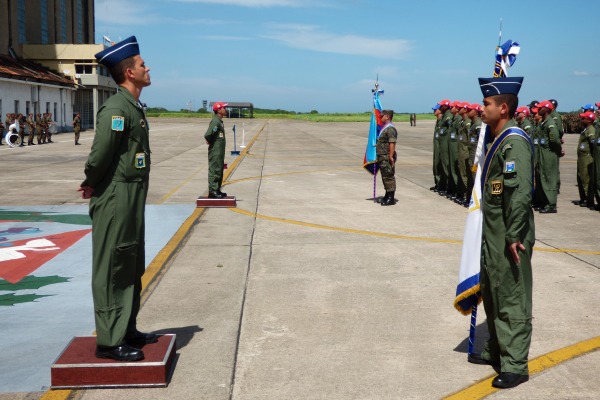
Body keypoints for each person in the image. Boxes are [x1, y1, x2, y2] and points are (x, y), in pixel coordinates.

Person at [78, 36, 157, 362]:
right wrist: (90, 183)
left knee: (130, 260)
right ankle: (110, 340)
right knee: (113, 265)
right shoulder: (115, 109)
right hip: (115, 197)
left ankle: (126, 327)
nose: (147, 67)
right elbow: (100, 156)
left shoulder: (132, 106)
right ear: (128, 72)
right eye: (141, 64)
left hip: (132, 196)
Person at [467, 76, 534, 390]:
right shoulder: (496, 139)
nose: (482, 108)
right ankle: (497, 347)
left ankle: (516, 365)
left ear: (503, 107)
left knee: (511, 297)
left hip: (509, 235)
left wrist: (514, 235)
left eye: (487, 103)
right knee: (493, 293)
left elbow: (519, 193)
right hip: (492, 235)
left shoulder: (514, 141)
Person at [536, 100, 562, 213]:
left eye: (540, 108)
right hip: (543, 153)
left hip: (549, 154)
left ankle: (551, 204)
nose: (538, 109)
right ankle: (544, 202)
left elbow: (555, 140)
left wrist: (558, 151)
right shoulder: (544, 123)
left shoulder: (550, 123)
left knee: (549, 178)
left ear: (546, 109)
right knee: (543, 177)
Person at [205, 102, 229, 198]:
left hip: (219, 151)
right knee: (214, 169)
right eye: (224, 108)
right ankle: (212, 191)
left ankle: (217, 189)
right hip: (215, 150)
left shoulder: (219, 121)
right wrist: (210, 141)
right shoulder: (215, 121)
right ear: (218, 110)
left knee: (219, 169)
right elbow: (207, 134)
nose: (225, 110)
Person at [375, 109, 398, 206]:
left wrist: (391, 156)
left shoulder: (390, 129)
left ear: (387, 117)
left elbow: (392, 143)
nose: (380, 117)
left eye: (382, 116)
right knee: (385, 176)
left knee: (388, 176)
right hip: (382, 156)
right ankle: (387, 195)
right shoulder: (385, 128)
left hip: (387, 156)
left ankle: (391, 198)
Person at [575, 112, 596, 207]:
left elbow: (593, 143)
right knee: (581, 177)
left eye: (583, 118)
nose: (581, 120)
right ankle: (583, 198)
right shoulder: (585, 130)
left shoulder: (591, 130)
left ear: (589, 120)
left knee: (586, 178)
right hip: (582, 158)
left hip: (587, 158)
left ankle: (589, 199)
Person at [430, 105, 442, 192]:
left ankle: (441, 185)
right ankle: (437, 184)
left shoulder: (442, 121)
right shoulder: (438, 121)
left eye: (435, 109)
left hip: (441, 147)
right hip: (437, 146)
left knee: (440, 165)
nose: (434, 111)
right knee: (435, 165)